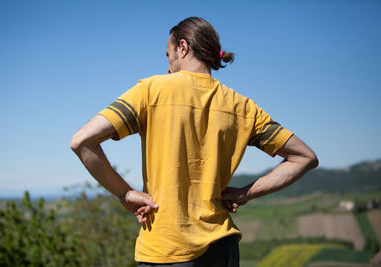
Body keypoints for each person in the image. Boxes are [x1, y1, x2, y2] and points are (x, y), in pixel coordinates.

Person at [70, 17, 318, 267]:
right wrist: (244, 194)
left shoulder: (150, 91)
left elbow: (82, 141)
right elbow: (305, 158)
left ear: (183, 47)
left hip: (167, 250)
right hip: (223, 247)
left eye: (168, 56)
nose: (168, 67)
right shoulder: (244, 107)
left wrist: (124, 193)